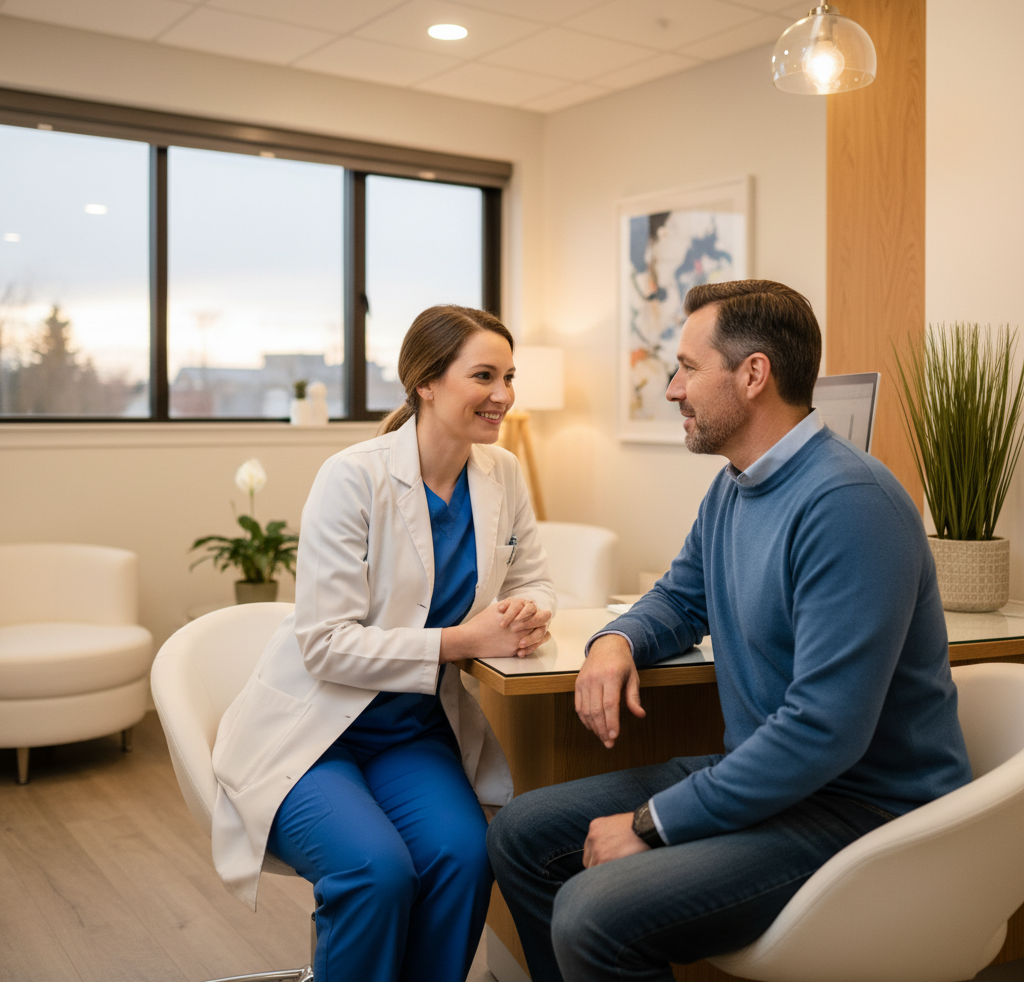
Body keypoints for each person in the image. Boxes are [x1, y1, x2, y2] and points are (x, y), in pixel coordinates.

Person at [487, 279, 972, 982]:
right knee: (520, 833)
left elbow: (822, 732)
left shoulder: (849, 504)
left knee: (594, 913)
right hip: (778, 782)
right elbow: (681, 599)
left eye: (687, 367)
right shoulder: (735, 486)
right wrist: (616, 641)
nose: (673, 389)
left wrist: (653, 823)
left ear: (753, 375)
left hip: (862, 810)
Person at [210, 305, 556, 982]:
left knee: (465, 857)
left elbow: (535, 578)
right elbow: (325, 645)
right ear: (425, 382)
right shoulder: (354, 477)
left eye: (509, 376)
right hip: (315, 735)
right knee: (377, 871)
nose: (504, 394)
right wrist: (463, 639)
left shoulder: (503, 473)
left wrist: (527, 610)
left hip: (410, 734)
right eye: (484, 375)